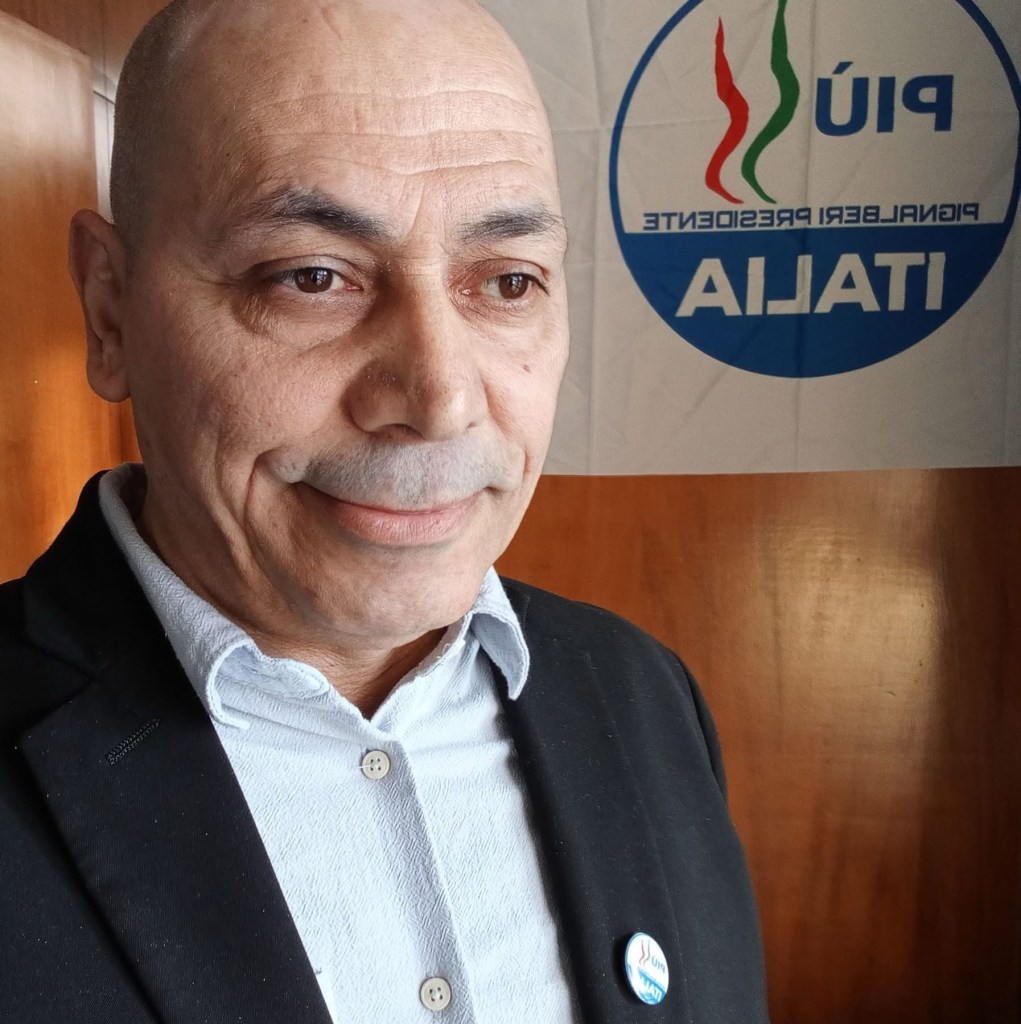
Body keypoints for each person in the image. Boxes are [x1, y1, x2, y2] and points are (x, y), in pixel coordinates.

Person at [0, 0, 768, 1020]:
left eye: (507, 282)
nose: (439, 397)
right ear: (109, 310)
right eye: (313, 277)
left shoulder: (641, 693)